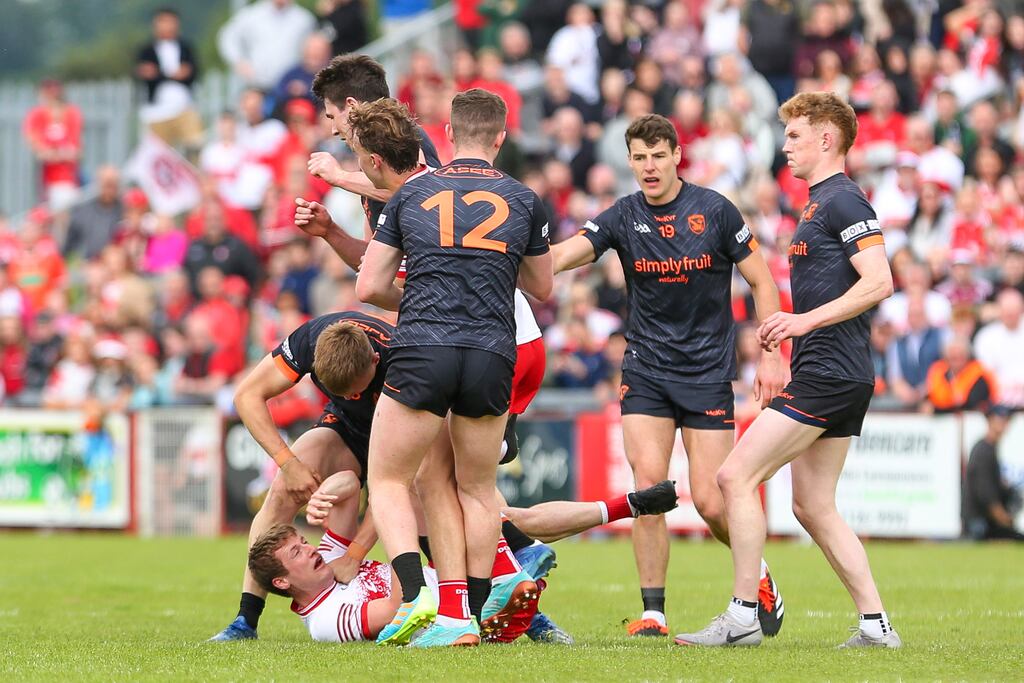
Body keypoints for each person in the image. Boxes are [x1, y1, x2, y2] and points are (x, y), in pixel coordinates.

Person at [550, 113, 788, 638]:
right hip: (647, 370)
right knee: (649, 489)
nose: (650, 166)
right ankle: (654, 613)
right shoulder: (621, 215)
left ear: (678, 155)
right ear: (629, 161)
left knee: (710, 497)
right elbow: (566, 255)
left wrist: (772, 353)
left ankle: (759, 573)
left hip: (706, 371)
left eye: (659, 155)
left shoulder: (715, 211)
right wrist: (520, 258)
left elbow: (761, 281)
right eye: (640, 157)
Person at [676, 92, 900, 649]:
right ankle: (876, 626)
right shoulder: (819, 203)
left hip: (830, 373)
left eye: (795, 135)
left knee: (733, 478)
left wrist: (801, 324)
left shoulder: (845, 200)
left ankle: (744, 615)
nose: (785, 146)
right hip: (840, 372)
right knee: (812, 505)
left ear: (828, 138)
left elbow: (880, 282)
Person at [356, 90, 552, 647]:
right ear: (501, 137)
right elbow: (541, 286)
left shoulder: (413, 193)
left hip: (425, 345)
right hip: (493, 349)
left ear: (446, 133)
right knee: (478, 488)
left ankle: (418, 595)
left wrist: (422, 296)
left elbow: (369, 285)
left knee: (390, 478)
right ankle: (467, 611)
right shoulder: (524, 198)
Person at [246, 474, 679, 644]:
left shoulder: (329, 560)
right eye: (297, 553)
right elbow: (399, 607)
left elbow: (351, 486)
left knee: (501, 514)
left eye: (302, 541)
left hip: (451, 575)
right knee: (429, 489)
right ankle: (509, 571)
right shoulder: (326, 622)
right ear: (283, 583)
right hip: (456, 606)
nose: (310, 549)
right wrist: (404, 542)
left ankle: (627, 506)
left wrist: (325, 494)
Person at [208, 311, 393, 641]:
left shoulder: (402, 360)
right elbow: (246, 396)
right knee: (281, 489)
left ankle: (510, 550)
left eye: (356, 391)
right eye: (344, 392)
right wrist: (288, 463)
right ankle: (245, 622)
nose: (353, 397)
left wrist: (353, 557)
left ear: (374, 361)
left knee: (417, 494)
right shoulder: (310, 341)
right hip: (348, 430)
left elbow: (396, 485)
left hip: (398, 432)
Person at [305, 54, 442, 247]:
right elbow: (371, 258)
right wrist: (330, 231)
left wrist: (340, 176)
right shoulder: (368, 166)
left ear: (352, 106)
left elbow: (415, 191)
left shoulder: (408, 136)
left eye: (332, 116)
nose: (334, 130)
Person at [135, 7, 204, 154]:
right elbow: (145, 73)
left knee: (194, 147)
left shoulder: (186, 48)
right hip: (157, 109)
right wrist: (172, 74)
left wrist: (159, 74)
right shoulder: (146, 50)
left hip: (183, 105)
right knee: (159, 152)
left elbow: (190, 72)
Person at [217, 0, 316, 92]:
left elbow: (314, 50)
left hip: (290, 88)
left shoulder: (304, 19)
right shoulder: (251, 14)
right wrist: (238, 61)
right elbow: (227, 36)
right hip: (258, 85)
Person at [963, 405, 1024, 542]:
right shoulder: (984, 450)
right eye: (999, 419)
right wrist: (1003, 517)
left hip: (983, 519)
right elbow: (984, 491)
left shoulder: (989, 448)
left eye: (1006, 420)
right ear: (989, 420)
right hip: (979, 521)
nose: (1003, 424)